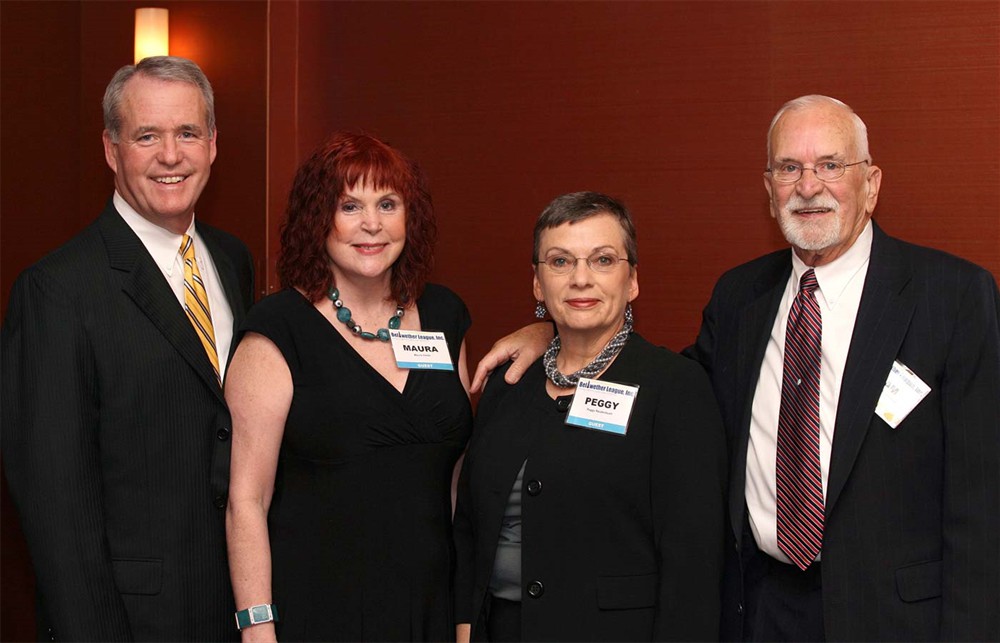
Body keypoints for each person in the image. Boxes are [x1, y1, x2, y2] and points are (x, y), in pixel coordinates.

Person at [470, 96, 1000, 641]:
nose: (808, 186)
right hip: (758, 610)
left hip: (896, 620)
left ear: (872, 183)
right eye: (788, 168)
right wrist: (553, 336)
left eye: (830, 166)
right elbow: (659, 390)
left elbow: (981, 503)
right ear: (769, 190)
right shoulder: (740, 297)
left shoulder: (951, 297)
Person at [1, 56, 255, 641]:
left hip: (235, 609)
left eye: (188, 133)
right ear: (112, 150)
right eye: (147, 136)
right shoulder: (56, 291)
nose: (172, 156)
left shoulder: (232, 259)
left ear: (213, 144)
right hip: (131, 620)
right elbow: (55, 507)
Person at [225, 131, 473, 642]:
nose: (372, 224)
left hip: (433, 606)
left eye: (387, 203)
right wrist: (257, 628)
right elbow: (247, 499)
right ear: (319, 220)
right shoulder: (278, 329)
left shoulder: (446, 315)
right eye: (349, 205)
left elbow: (458, 478)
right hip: (320, 608)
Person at [454, 192, 726, 642]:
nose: (581, 279)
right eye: (560, 262)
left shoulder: (674, 387)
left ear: (632, 279)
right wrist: (466, 625)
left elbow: (693, 564)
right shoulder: (508, 384)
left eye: (602, 260)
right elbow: (470, 526)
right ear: (538, 285)